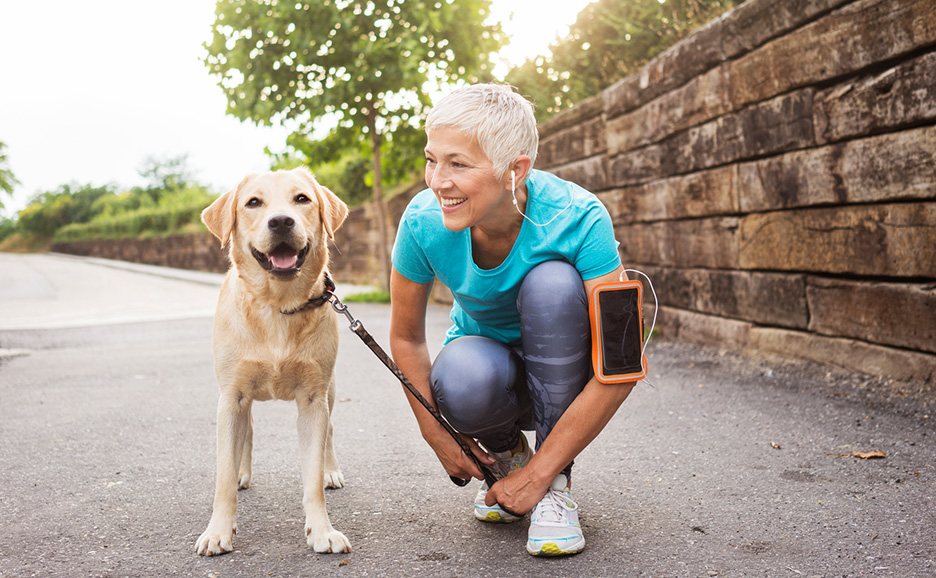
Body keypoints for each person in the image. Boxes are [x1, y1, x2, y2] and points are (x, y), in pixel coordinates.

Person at [389, 83, 636, 557]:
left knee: (553, 284)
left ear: (514, 170)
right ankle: (508, 455)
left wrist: (541, 476)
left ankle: (553, 483)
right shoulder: (422, 222)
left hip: (571, 377)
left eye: (458, 163)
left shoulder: (580, 217)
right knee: (459, 374)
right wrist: (436, 432)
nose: (437, 180)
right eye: (431, 159)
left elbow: (621, 363)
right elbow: (405, 338)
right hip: (491, 382)